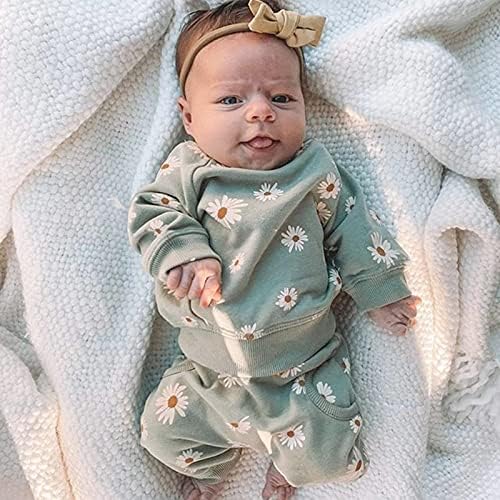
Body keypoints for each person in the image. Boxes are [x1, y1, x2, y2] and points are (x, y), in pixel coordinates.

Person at [127, 1, 421, 498]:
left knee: (329, 452)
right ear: (189, 117)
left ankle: (288, 468)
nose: (261, 112)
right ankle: (206, 469)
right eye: (231, 100)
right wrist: (185, 252)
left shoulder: (313, 171)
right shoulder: (189, 170)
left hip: (302, 371)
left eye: (282, 97)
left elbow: (354, 227)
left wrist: (381, 289)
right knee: (162, 432)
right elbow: (153, 211)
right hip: (208, 375)